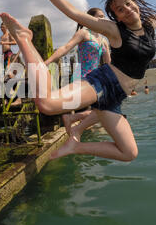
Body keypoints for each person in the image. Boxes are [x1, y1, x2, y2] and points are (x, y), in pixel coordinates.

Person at [0, 0, 156, 163]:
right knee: (47, 104)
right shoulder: (115, 31)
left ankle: (76, 146)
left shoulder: (149, 27)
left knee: (129, 153)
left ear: (135, 4)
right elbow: (73, 12)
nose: (127, 9)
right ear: (118, 18)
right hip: (103, 83)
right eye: (120, 10)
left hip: (115, 98)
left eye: (128, 4)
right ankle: (24, 38)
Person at [44, 8, 111, 136]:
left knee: (103, 111)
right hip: (81, 77)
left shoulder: (104, 40)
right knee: (90, 115)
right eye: (100, 17)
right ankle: (77, 134)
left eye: (104, 16)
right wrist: (47, 62)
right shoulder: (83, 33)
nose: (103, 19)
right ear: (91, 18)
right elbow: (66, 47)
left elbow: (108, 62)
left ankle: (77, 126)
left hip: (97, 79)